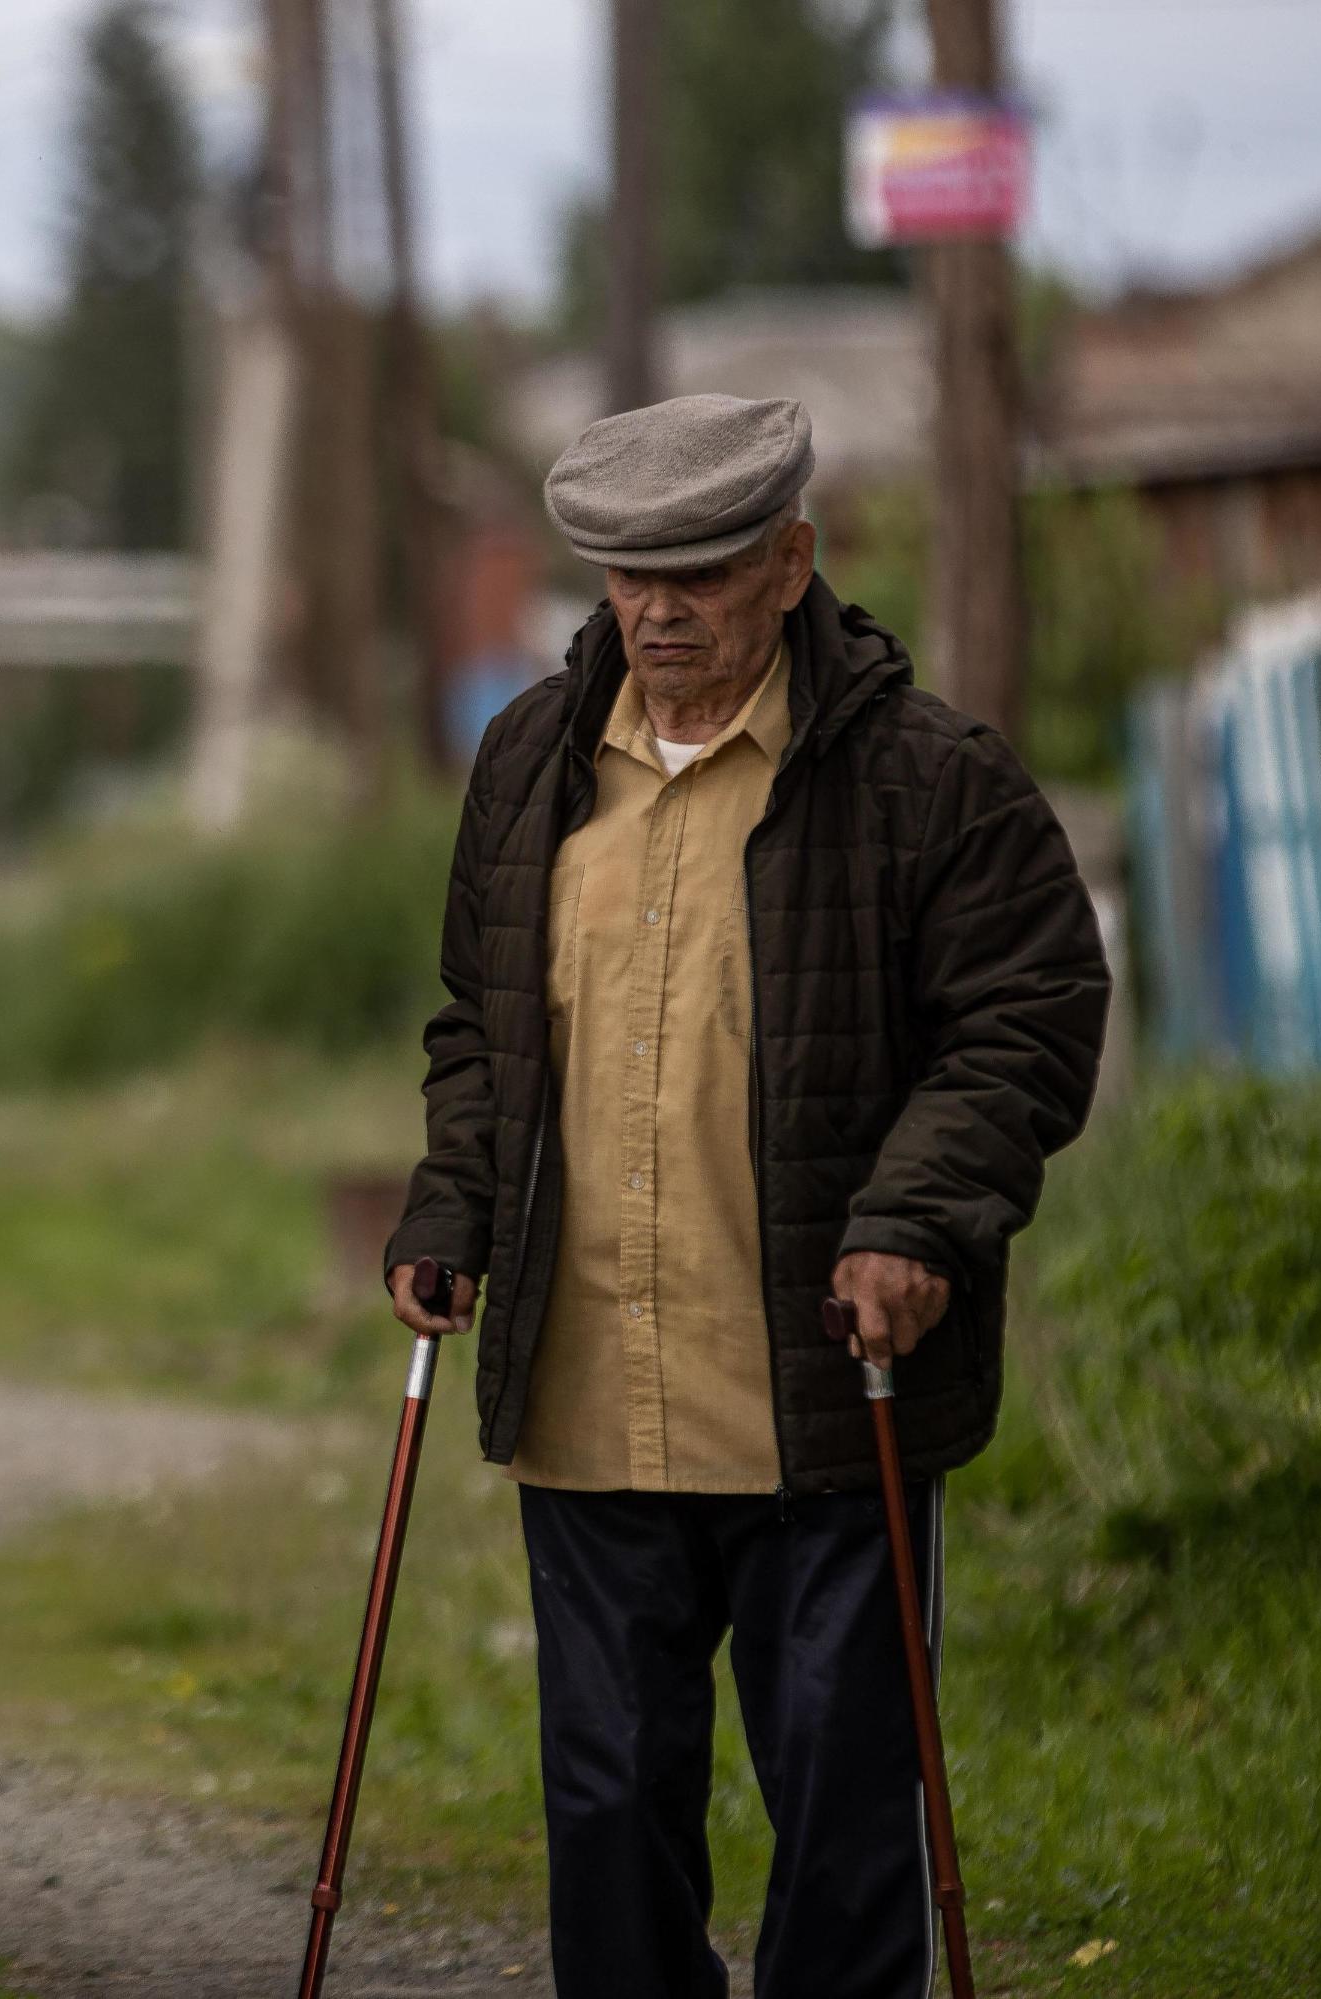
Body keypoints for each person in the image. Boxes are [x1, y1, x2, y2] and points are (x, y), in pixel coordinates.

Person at [382, 396, 1109, 1998]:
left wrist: (915, 1218)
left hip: (820, 1410)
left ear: (790, 564)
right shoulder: (528, 765)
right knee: (608, 1816)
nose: (658, 609)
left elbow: (1031, 1018)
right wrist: (455, 1199)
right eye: (630, 574)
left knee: (849, 1833)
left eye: (699, 571)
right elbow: (478, 1027)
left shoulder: (931, 781)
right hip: (587, 1403)